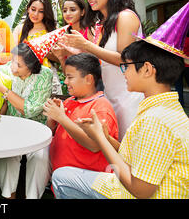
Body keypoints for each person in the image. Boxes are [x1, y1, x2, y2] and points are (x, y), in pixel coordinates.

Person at [52, 40, 188, 199]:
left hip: (134, 192)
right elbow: (133, 155)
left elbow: (140, 191)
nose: (123, 72)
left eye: (126, 66)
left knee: (61, 178)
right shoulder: (166, 108)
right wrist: (105, 137)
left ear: (147, 69)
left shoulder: (156, 120)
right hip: (133, 183)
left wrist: (100, 139)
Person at [62, 0, 144, 139]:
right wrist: (78, 50)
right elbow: (102, 59)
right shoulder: (103, 24)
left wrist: (87, 45)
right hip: (111, 97)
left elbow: (125, 59)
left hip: (130, 98)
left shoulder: (126, 17)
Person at [0, 42, 53, 199]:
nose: (13, 67)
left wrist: (3, 90)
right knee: (8, 152)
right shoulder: (7, 69)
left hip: (37, 130)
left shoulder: (45, 75)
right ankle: (8, 195)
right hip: (11, 128)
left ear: (31, 67)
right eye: (13, 61)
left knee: (39, 156)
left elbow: (30, 110)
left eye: (19, 65)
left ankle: (32, 196)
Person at [43, 53, 118, 177]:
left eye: (70, 77)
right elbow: (55, 131)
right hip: (62, 176)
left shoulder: (100, 107)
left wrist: (61, 118)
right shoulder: (69, 101)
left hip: (83, 178)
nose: (66, 82)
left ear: (88, 79)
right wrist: (52, 119)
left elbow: (94, 146)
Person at [12, 0, 62, 95]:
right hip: (25, 77)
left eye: (41, 11)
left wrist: (42, 51)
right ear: (28, 9)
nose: (35, 14)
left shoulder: (53, 31)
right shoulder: (19, 29)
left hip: (48, 76)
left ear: (46, 13)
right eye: (33, 9)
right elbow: (13, 56)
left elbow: (60, 58)